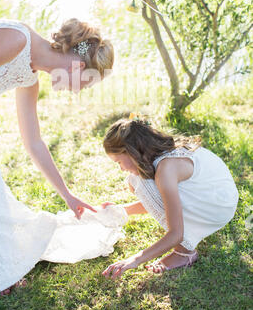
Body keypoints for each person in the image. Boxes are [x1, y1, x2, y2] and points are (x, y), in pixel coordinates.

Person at [0, 17, 116, 297]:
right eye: (85, 85)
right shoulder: (15, 39)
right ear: (77, 68)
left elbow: (34, 142)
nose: (77, 91)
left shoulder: (29, 78)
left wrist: (68, 195)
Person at [101, 116, 239, 280]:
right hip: (219, 196)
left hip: (217, 206)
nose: (121, 168)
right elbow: (165, 201)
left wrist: (133, 260)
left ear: (132, 152)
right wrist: (122, 210)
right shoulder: (162, 155)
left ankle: (184, 253)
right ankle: (183, 248)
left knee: (138, 181)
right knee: (137, 180)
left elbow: (176, 234)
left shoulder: (166, 169)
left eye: (119, 162)